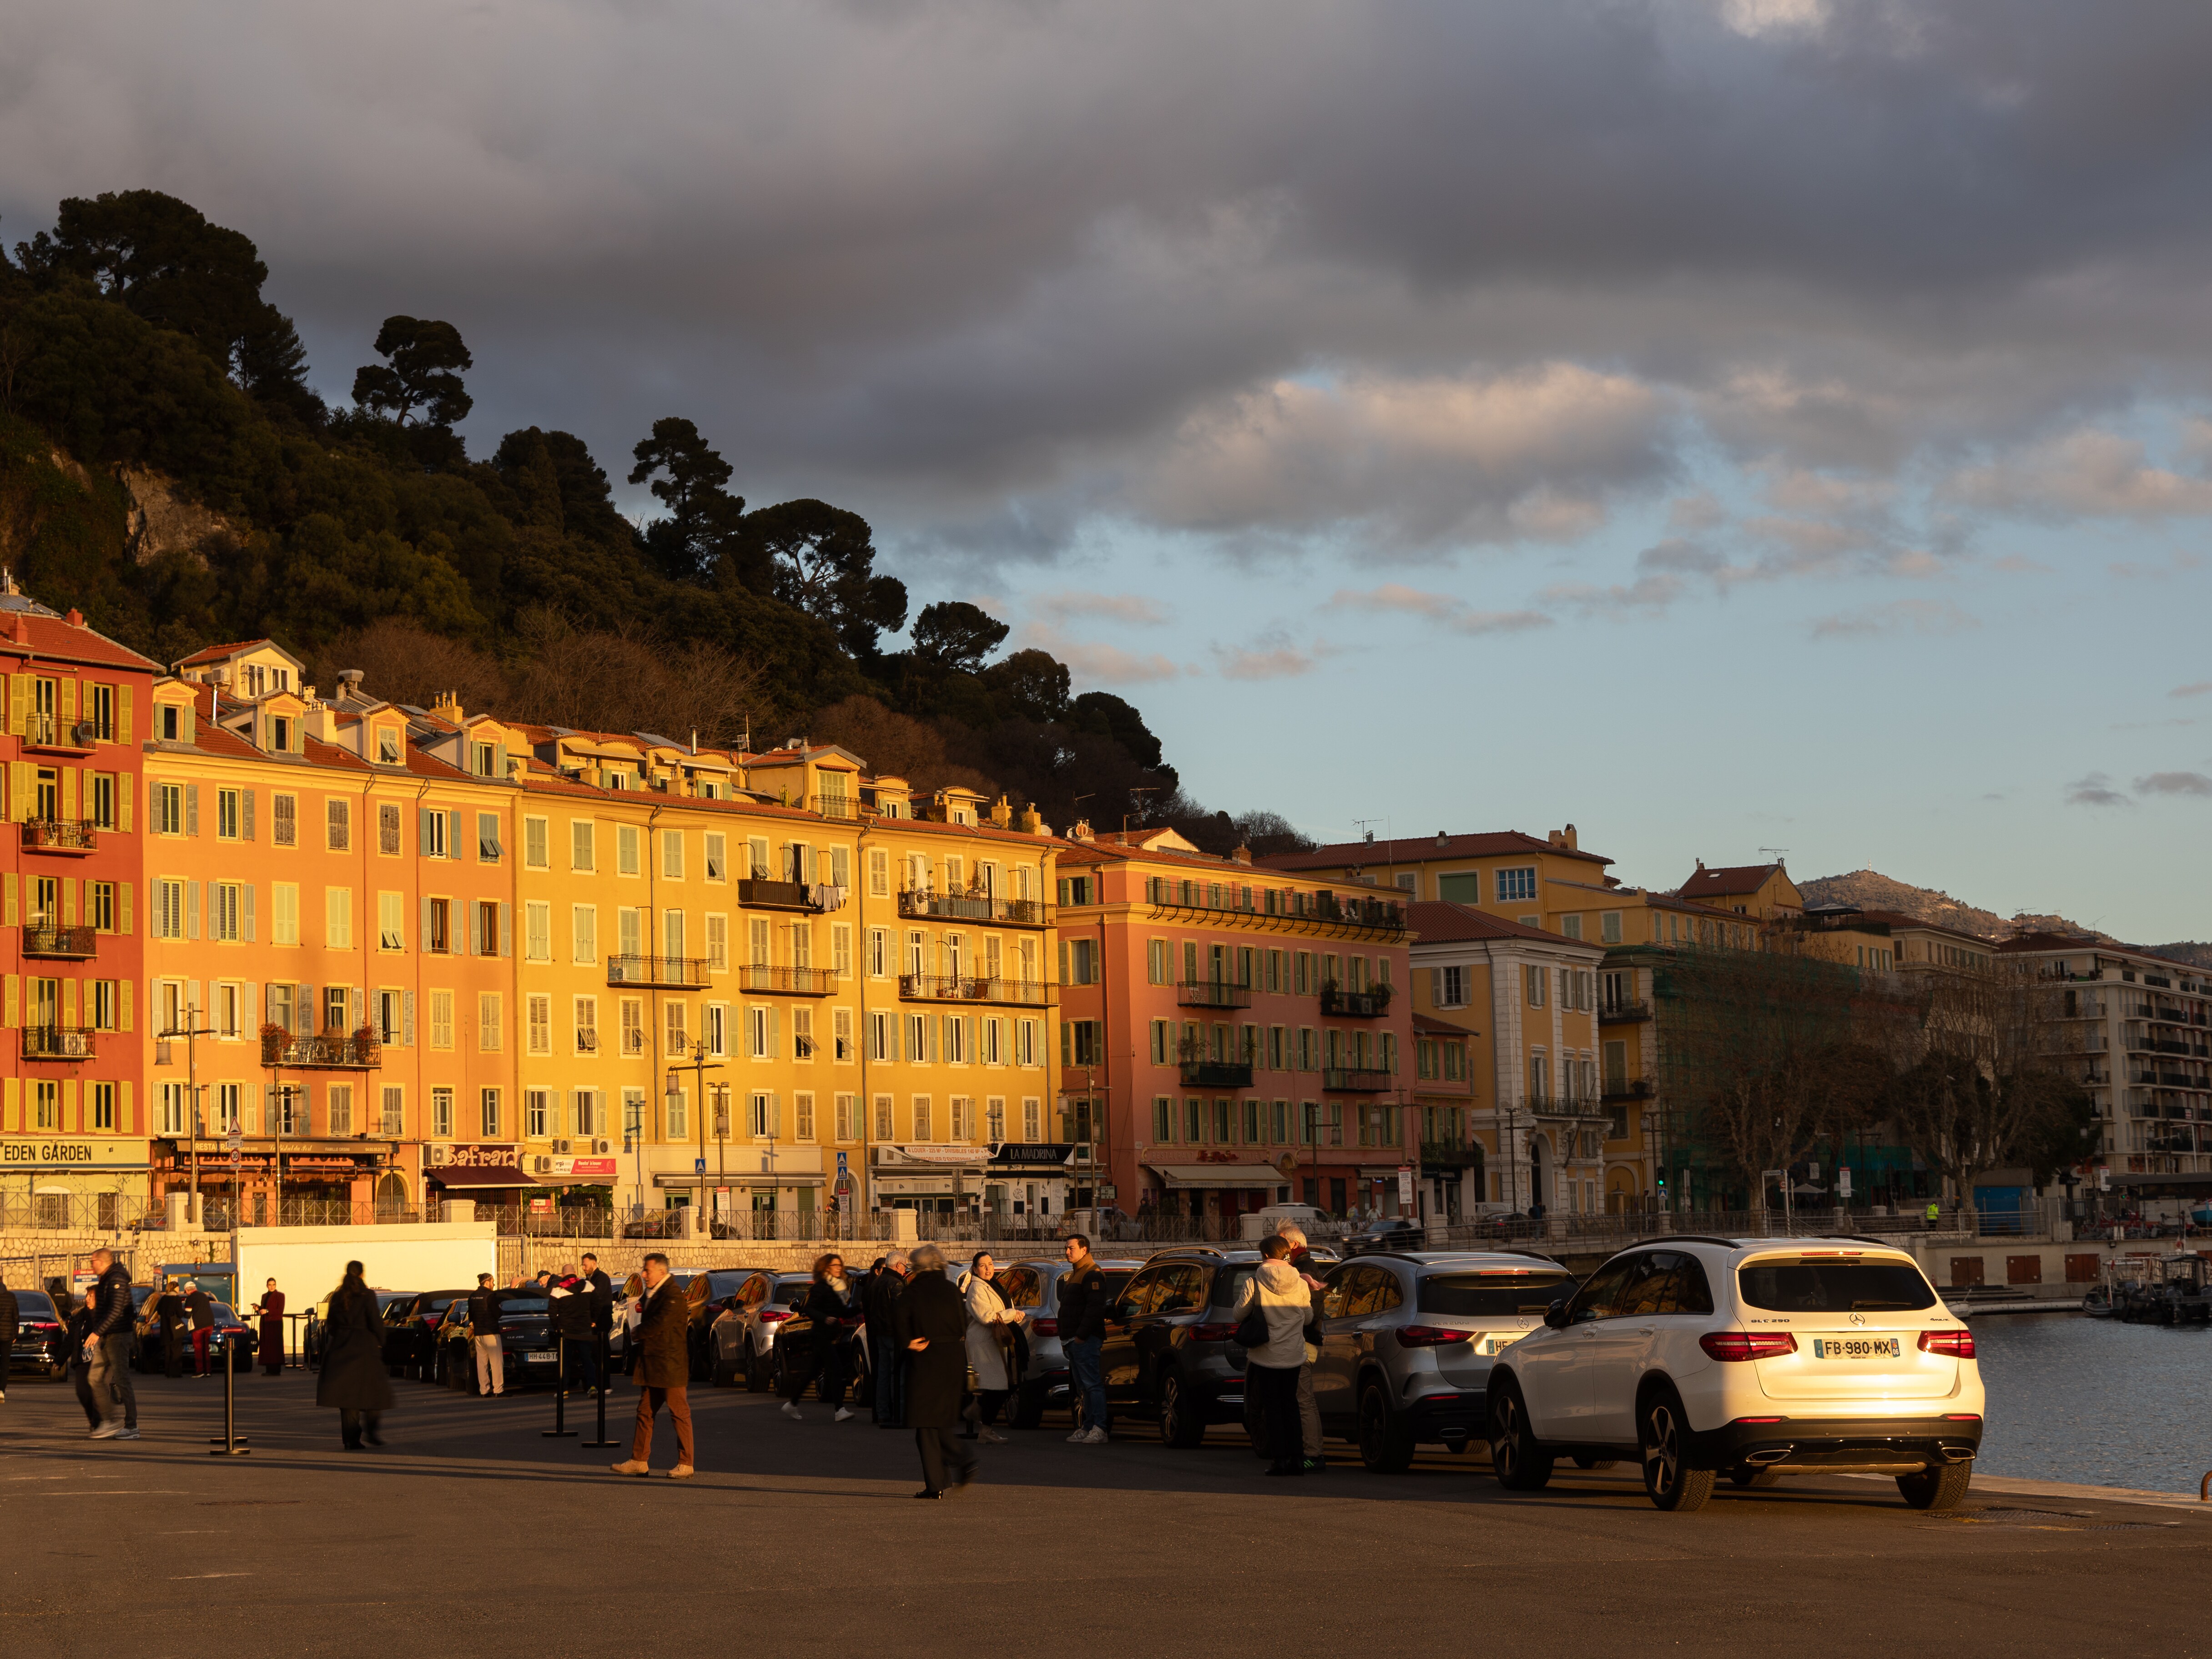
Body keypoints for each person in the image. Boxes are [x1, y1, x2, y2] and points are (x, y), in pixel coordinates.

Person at [892, 1243, 975, 1498]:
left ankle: (953, 1467)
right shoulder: (951, 1290)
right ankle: (940, 1481)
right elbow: (964, 1324)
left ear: (917, 1267)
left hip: (925, 1357)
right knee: (936, 1420)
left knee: (925, 1421)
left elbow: (897, 1321)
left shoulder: (913, 1291)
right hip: (951, 1356)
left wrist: (907, 1342)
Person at [1235, 1237, 1315, 1477]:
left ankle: (1279, 1460)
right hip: (1293, 1353)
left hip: (1265, 1355)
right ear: (1285, 1255)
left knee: (1272, 1407)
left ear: (1264, 1255)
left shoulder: (1254, 1281)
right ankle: (1298, 1459)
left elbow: (1239, 1315)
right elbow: (1309, 1318)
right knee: (1292, 1405)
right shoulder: (1301, 1283)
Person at [613, 1253, 692, 1478]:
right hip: (654, 1365)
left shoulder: (673, 1294)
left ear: (661, 1271)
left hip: (670, 1365)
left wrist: (638, 1332)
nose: (644, 1274)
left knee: (679, 1413)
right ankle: (639, 1461)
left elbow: (662, 1323)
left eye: (647, 1270)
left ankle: (686, 1464)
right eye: (644, 1270)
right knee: (645, 1412)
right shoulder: (654, 1292)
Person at [316, 1262, 393, 1450]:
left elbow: (331, 1325)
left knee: (347, 1398)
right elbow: (375, 1321)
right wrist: (383, 1342)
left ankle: (351, 1439)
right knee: (374, 1391)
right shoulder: (367, 1295)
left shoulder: (338, 1296)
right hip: (364, 1347)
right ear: (362, 1274)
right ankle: (372, 1430)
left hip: (341, 1348)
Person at [783, 1253, 861, 1423]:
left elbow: (843, 1312)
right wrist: (824, 1318)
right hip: (820, 1336)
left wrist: (860, 1308)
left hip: (829, 1336)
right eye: (835, 1265)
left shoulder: (838, 1287)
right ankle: (839, 1409)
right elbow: (808, 1309)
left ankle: (792, 1404)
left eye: (840, 1265)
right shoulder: (821, 1287)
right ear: (827, 1268)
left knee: (813, 1373)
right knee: (837, 1370)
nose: (839, 1268)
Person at [958, 1252, 1026, 1443]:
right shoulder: (976, 1289)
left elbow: (1001, 1313)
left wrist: (1014, 1316)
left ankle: (978, 1413)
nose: (988, 1269)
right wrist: (1011, 1314)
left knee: (1007, 1384)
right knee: (999, 1386)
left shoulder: (993, 1285)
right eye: (983, 1265)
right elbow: (987, 1317)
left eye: (990, 1264)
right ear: (975, 1269)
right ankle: (985, 1429)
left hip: (996, 1343)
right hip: (983, 1344)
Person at [1277, 1227, 1329, 1473]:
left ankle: (1313, 1454)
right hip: (1302, 1342)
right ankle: (1307, 1451)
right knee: (1300, 1400)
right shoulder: (1305, 1268)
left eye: (1284, 1244)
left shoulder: (1304, 1271)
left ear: (1295, 1244)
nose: (1282, 1250)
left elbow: (1312, 1313)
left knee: (1304, 1400)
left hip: (1303, 1344)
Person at [1058, 1234, 1109, 1444]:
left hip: (1084, 1340)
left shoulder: (1092, 1273)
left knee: (1092, 1384)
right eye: (1067, 1248)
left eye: (1071, 1248)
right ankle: (1088, 1426)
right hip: (1073, 1340)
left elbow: (1095, 1308)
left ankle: (1100, 1428)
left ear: (1084, 1250)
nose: (1067, 1251)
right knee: (1083, 1387)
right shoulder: (1077, 1273)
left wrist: (1080, 1336)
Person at [84, 1248, 138, 1440]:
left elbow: (116, 1309)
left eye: (93, 1261)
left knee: (123, 1380)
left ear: (102, 1261)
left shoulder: (116, 1278)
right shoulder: (106, 1278)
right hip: (107, 1335)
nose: (91, 1265)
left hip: (118, 1336)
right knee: (94, 1378)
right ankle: (108, 1421)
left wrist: (96, 1332)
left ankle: (132, 1427)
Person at [863, 1250, 910, 1429]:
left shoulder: (876, 1283)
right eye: (905, 1266)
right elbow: (901, 1313)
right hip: (894, 1336)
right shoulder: (896, 1284)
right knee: (898, 1376)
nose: (905, 1270)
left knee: (882, 1375)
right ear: (898, 1265)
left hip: (879, 1335)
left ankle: (883, 1413)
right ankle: (900, 1413)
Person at [549, 1276, 597, 1396]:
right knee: (587, 1360)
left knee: (564, 1362)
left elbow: (552, 1312)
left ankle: (563, 1390)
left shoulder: (558, 1290)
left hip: (566, 1331)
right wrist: (593, 1320)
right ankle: (592, 1387)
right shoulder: (588, 1286)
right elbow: (597, 1303)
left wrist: (557, 1327)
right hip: (585, 1329)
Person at [65, 1287, 104, 1430]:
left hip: (100, 1360)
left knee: (97, 1392)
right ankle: (93, 1418)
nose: (88, 1299)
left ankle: (99, 1421)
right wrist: (59, 1360)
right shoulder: (80, 1316)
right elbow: (70, 1340)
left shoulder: (104, 1317)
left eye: (92, 1296)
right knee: (82, 1392)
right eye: (88, 1295)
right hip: (82, 1360)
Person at [466, 1274, 508, 1396]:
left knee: (482, 1363)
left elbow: (472, 1316)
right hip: (491, 1333)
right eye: (493, 1282)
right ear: (487, 1282)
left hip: (479, 1334)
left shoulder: (472, 1296)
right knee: (496, 1363)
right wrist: (500, 1308)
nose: (494, 1284)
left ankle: (484, 1390)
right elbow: (498, 1314)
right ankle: (498, 1390)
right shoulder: (490, 1296)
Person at [150, 1279, 186, 1378]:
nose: (179, 1289)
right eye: (178, 1287)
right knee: (177, 1351)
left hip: (165, 1328)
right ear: (174, 1288)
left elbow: (160, 1311)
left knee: (168, 1351)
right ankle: (176, 1372)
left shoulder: (164, 1299)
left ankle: (168, 1372)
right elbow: (180, 1314)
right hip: (175, 1328)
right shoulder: (177, 1299)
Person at [253, 1279, 286, 1376]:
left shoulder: (280, 1295)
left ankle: (276, 1370)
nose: (272, 1287)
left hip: (275, 1324)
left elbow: (280, 1310)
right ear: (267, 1286)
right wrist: (258, 1309)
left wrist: (267, 1311)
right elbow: (264, 1309)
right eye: (270, 1285)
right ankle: (269, 1369)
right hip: (266, 1324)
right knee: (267, 1346)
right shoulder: (264, 1296)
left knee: (275, 1347)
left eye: (274, 1285)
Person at [184, 1280, 216, 1377]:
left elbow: (188, 1314)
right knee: (206, 1348)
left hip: (198, 1325)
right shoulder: (203, 1296)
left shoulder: (190, 1299)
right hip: (209, 1324)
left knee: (198, 1348)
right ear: (195, 1288)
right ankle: (208, 1371)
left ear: (187, 1290)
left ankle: (200, 1371)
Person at [0, 1277, 15, 1407]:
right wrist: (14, 1334)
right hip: (7, 1336)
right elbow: (16, 1316)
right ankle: (1, 1391)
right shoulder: (11, 1297)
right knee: (5, 1364)